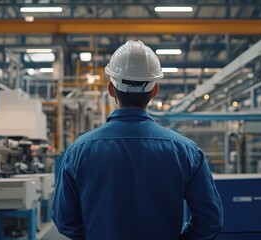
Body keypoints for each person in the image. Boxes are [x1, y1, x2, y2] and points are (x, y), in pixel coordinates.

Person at [52, 40, 223, 240]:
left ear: (110, 89)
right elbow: (211, 220)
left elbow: (64, 220)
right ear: (154, 91)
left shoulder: (79, 151)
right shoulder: (185, 151)